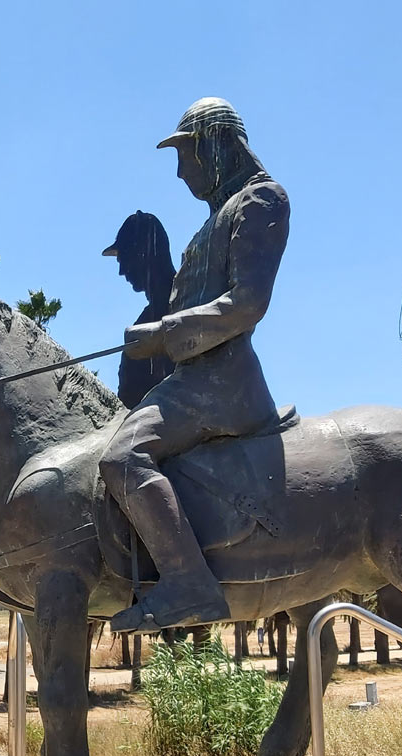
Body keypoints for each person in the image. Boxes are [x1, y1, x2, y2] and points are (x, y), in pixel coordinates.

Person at [101, 97, 289, 633]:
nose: (181, 171)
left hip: (219, 383)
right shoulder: (217, 215)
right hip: (195, 380)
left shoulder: (260, 200)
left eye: (186, 155)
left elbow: (248, 303)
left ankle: (187, 583)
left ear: (215, 143)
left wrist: (162, 336)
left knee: (123, 456)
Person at [102, 210, 176, 409]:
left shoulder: (187, 300)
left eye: (124, 258)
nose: (121, 271)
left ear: (143, 253)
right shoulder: (145, 319)